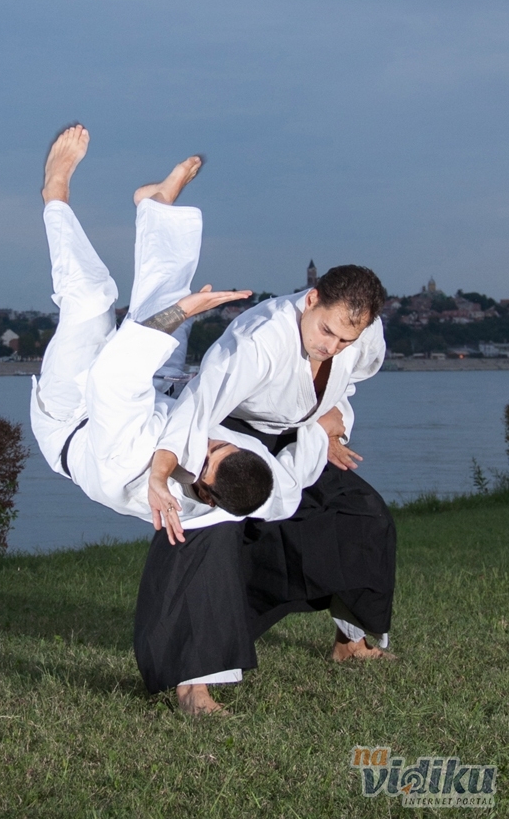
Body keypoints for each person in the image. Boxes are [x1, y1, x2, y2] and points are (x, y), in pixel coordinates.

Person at [30, 125, 334, 712]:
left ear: (201, 489)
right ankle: (156, 207)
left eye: (212, 452)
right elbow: (290, 486)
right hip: (152, 397)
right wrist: (320, 429)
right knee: (166, 314)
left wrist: (179, 315)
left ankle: (55, 193)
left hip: (77, 415)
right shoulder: (252, 485)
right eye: (226, 443)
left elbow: (115, 376)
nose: (214, 440)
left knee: (93, 299)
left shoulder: (133, 461)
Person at [137, 263, 395, 710]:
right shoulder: (257, 341)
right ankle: (192, 684)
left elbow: (346, 381)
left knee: (360, 512)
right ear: (311, 300)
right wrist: (162, 474)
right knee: (208, 533)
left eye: (345, 340)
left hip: (299, 434)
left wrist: (330, 423)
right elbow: (197, 407)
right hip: (228, 434)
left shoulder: (363, 332)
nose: (331, 346)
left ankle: (349, 642)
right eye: (327, 331)